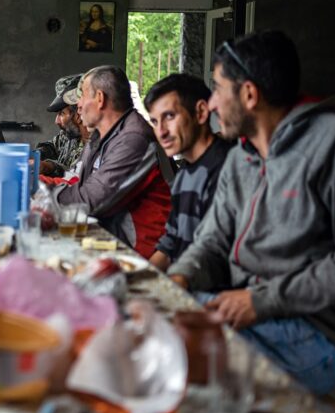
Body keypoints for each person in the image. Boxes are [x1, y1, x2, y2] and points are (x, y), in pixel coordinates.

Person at [168, 30, 335, 394]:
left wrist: (261, 301)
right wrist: (178, 280)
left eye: (217, 88)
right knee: (139, 327)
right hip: (244, 307)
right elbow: (212, 242)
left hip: (317, 331)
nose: (210, 104)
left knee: (175, 372)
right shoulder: (240, 158)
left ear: (248, 94)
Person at [54, 66, 173, 258]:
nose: (79, 105)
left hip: (141, 253)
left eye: (82, 96)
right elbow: (77, 182)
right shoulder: (102, 136)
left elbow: (90, 202)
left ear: (100, 99)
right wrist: (36, 184)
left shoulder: (134, 138)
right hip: (112, 240)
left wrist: (44, 198)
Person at [144, 74, 234, 272]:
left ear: (201, 112)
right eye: (154, 122)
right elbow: (170, 244)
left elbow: (214, 253)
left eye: (169, 116)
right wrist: (141, 277)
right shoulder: (183, 175)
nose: (161, 132)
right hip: (182, 279)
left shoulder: (228, 168)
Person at [38, 73, 87, 177]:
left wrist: (50, 167)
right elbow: (53, 146)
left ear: (78, 113)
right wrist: (36, 155)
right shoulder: (70, 134)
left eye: (61, 113)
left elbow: (77, 179)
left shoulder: (96, 143)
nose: (57, 121)